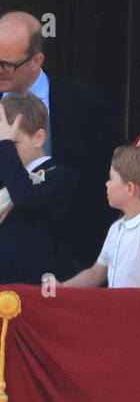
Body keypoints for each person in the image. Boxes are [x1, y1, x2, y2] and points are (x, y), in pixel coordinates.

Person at [0, 11, 118, 270]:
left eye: (6, 64)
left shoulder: (87, 104)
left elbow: (103, 186)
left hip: (69, 264)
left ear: (36, 60)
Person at [63, 146, 140, 288]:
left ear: (130, 188)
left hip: (138, 310)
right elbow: (95, 274)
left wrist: (125, 306)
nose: (107, 184)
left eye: (111, 179)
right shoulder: (117, 228)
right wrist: (61, 288)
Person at [0, 92, 75, 283]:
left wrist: (6, 148)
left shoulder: (60, 177)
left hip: (35, 291)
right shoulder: (6, 176)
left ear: (39, 138)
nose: (5, 151)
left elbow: (26, 198)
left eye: (13, 143)